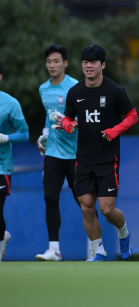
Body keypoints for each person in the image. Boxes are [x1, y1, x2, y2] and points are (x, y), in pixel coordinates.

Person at [61, 45, 138, 261]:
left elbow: (132, 116)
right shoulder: (75, 92)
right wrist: (68, 125)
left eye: (93, 62)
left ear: (102, 65)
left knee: (106, 209)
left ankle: (124, 233)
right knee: (86, 208)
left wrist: (114, 131)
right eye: (85, 61)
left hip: (107, 159)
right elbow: (67, 118)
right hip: (83, 159)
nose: (88, 65)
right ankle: (99, 251)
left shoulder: (115, 91)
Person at [35, 44, 82, 261]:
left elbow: (85, 117)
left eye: (56, 61)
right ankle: (54, 249)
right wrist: (44, 136)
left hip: (76, 154)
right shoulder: (43, 89)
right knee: (50, 197)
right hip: (53, 153)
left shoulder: (76, 87)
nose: (52, 65)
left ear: (65, 63)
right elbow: (48, 115)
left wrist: (73, 124)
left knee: (84, 202)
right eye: (48, 62)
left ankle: (95, 246)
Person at [0, 63, 30, 261]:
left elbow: (25, 133)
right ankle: (3, 235)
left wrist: (5, 138)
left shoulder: (10, 103)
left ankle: (0, 237)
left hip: (2, 165)